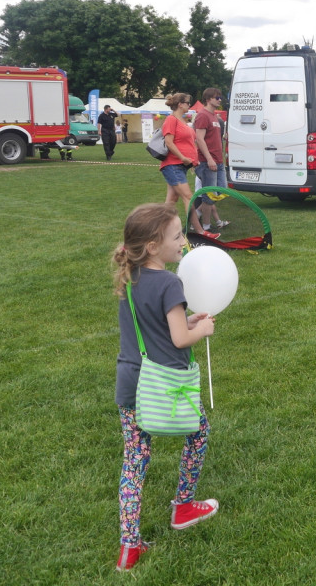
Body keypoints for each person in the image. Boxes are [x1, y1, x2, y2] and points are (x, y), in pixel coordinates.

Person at [112, 203, 219, 571]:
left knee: (135, 459)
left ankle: (129, 546)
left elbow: (154, 325)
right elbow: (178, 339)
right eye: (177, 236)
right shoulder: (171, 282)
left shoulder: (131, 278)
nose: (183, 241)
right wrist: (199, 329)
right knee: (199, 433)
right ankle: (185, 505)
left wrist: (186, 319)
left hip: (131, 384)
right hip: (166, 385)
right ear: (154, 246)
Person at [160, 93, 213, 238]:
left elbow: (188, 142)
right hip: (173, 165)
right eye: (187, 103)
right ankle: (199, 231)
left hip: (181, 166)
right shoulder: (171, 120)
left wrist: (192, 161)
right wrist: (183, 157)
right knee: (189, 197)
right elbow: (169, 142)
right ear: (180, 104)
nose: (189, 105)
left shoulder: (181, 120)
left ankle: (159, 230)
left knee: (171, 201)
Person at [193, 88, 229, 232]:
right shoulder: (202, 115)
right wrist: (209, 159)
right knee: (208, 197)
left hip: (218, 161)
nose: (220, 100)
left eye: (220, 98)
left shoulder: (214, 116)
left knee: (222, 191)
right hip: (208, 162)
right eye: (217, 98)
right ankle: (206, 228)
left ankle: (195, 215)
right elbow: (199, 139)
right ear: (208, 99)